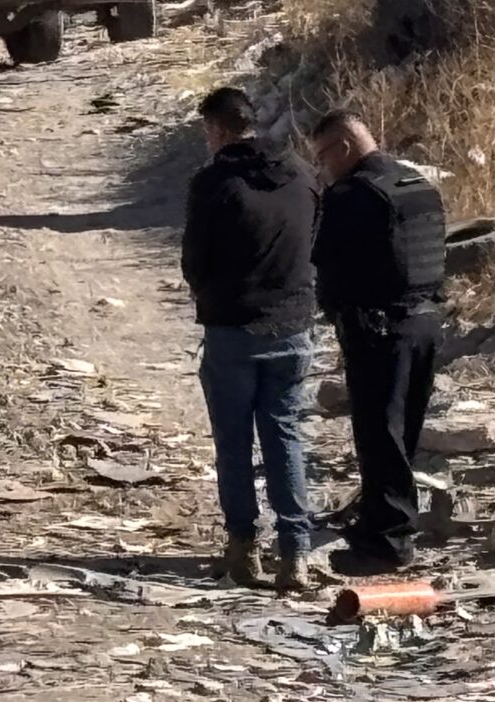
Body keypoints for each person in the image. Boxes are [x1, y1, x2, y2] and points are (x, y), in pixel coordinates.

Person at [182, 87, 321, 590]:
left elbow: (194, 262)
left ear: (218, 130)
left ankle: (243, 548)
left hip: (233, 328)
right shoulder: (302, 173)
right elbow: (315, 241)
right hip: (293, 325)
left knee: (234, 442)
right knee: (285, 435)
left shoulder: (213, 183)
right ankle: (296, 554)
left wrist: (212, 296)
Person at [311, 109, 446, 575]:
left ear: (344, 148)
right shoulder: (417, 184)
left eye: (323, 156)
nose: (322, 168)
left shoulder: (353, 194)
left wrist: (338, 315)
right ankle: (385, 522)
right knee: (404, 432)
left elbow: (326, 264)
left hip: (379, 329)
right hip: (427, 321)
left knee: (379, 435)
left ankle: (386, 544)